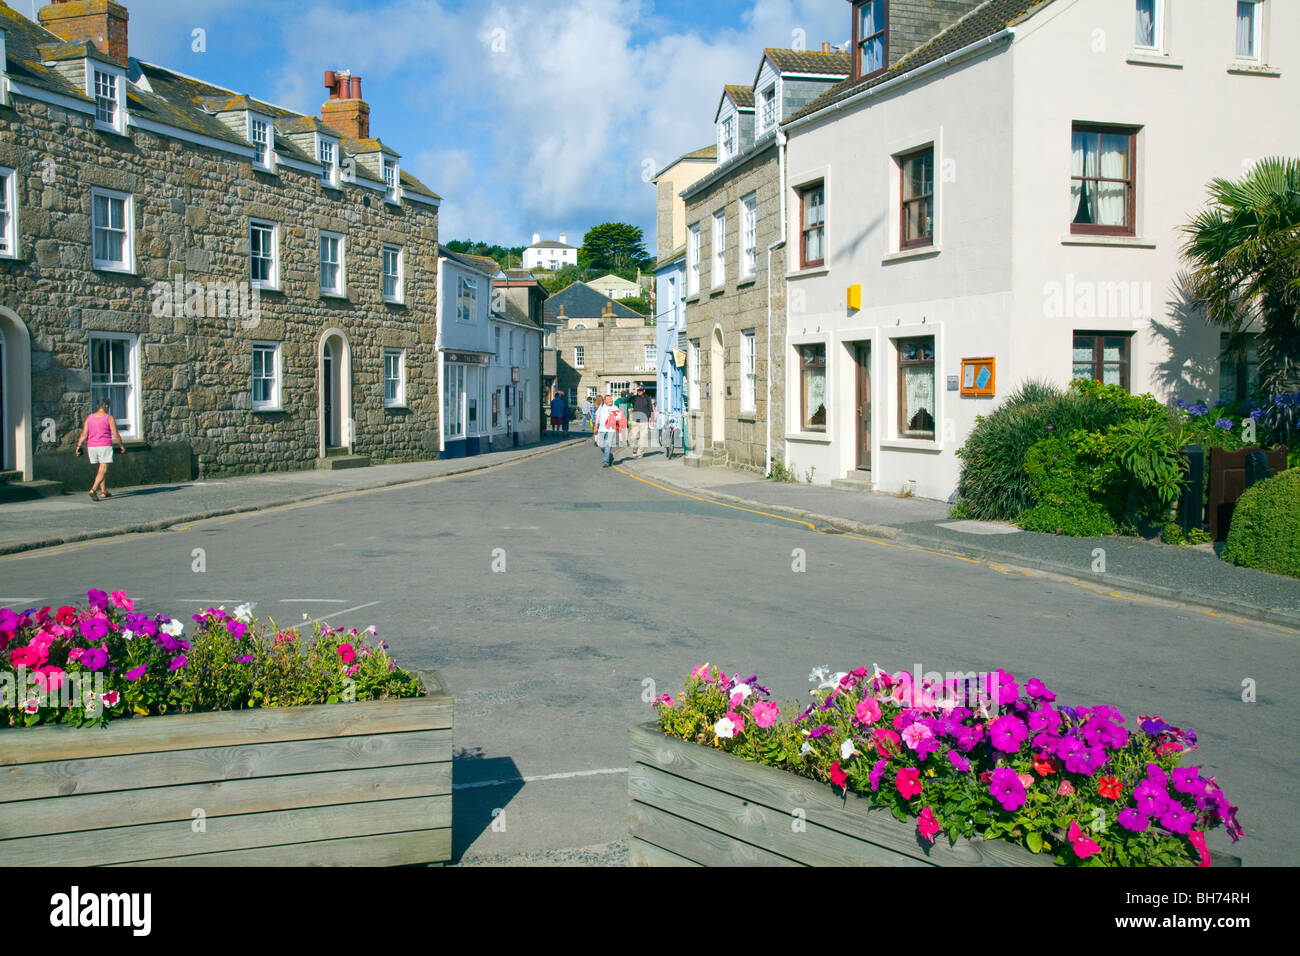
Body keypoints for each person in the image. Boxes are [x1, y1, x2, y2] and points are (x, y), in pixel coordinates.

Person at [74, 398, 126, 501]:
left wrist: (78, 446)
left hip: (92, 446)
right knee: (104, 468)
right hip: (104, 445)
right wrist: (121, 446)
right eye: (109, 407)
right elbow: (115, 434)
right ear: (106, 406)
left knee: (100, 468)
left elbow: (84, 434)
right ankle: (93, 489)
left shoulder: (90, 417)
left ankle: (103, 491)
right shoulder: (109, 418)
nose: (109, 409)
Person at [593, 394, 622, 467]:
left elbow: (619, 417)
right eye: (608, 399)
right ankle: (609, 455)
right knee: (601, 445)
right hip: (601, 429)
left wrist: (613, 413)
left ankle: (606, 462)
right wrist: (596, 426)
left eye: (611, 399)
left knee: (608, 446)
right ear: (605, 401)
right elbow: (597, 416)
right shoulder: (601, 406)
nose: (610, 400)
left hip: (611, 430)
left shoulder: (615, 407)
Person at [630, 385, 654, 459]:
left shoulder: (647, 398)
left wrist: (651, 419)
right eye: (638, 390)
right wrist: (632, 392)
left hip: (644, 421)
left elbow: (650, 408)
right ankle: (634, 450)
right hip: (635, 421)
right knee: (634, 437)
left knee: (643, 438)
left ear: (644, 391)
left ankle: (640, 454)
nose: (639, 391)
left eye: (640, 390)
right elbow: (626, 400)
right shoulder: (634, 398)